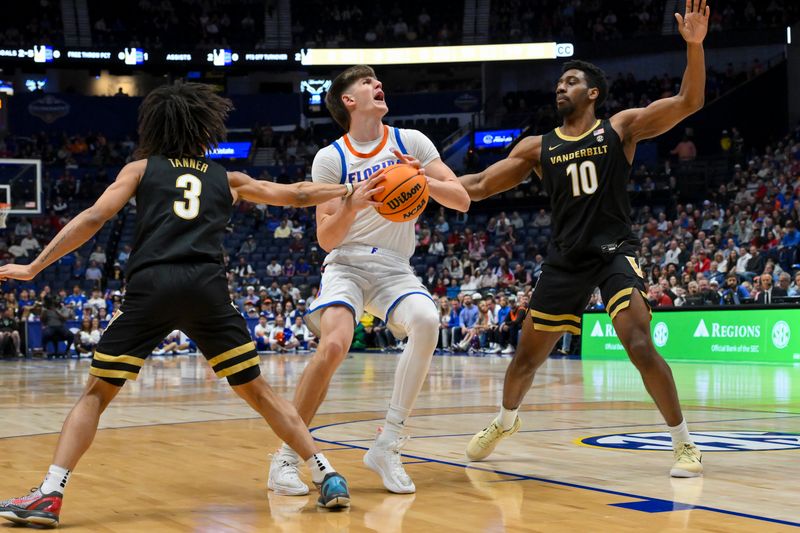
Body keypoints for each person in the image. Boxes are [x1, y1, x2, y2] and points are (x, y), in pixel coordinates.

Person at [0, 82, 369, 527]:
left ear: (156, 126)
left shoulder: (140, 169)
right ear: (204, 129)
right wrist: (348, 190)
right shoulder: (229, 178)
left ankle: (50, 493)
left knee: (96, 393)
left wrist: (35, 266)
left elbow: (96, 217)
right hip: (206, 289)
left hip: (152, 286)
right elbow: (296, 194)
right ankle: (326, 473)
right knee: (259, 391)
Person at [458, 1, 710, 478]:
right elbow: (477, 186)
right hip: (565, 259)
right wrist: (417, 182)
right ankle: (505, 421)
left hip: (614, 251)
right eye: (559, 82)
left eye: (572, 81)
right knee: (525, 360)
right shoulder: (537, 147)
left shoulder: (621, 127)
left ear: (593, 93)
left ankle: (684, 443)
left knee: (637, 340)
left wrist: (694, 47)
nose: (561, 86)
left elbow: (688, 102)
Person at [268, 64, 469, 497]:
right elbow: (326, 238)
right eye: (367, 82)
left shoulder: (410, 142)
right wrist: (353, 205)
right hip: (346, 264)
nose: (378, 85)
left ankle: (388, 444)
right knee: (335, 343)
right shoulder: (331, 158)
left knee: (427, 320)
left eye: (377, 81)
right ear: (348, 100)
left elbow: (462, 199)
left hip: (395, 267)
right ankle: (285, 459)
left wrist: (425, 178)